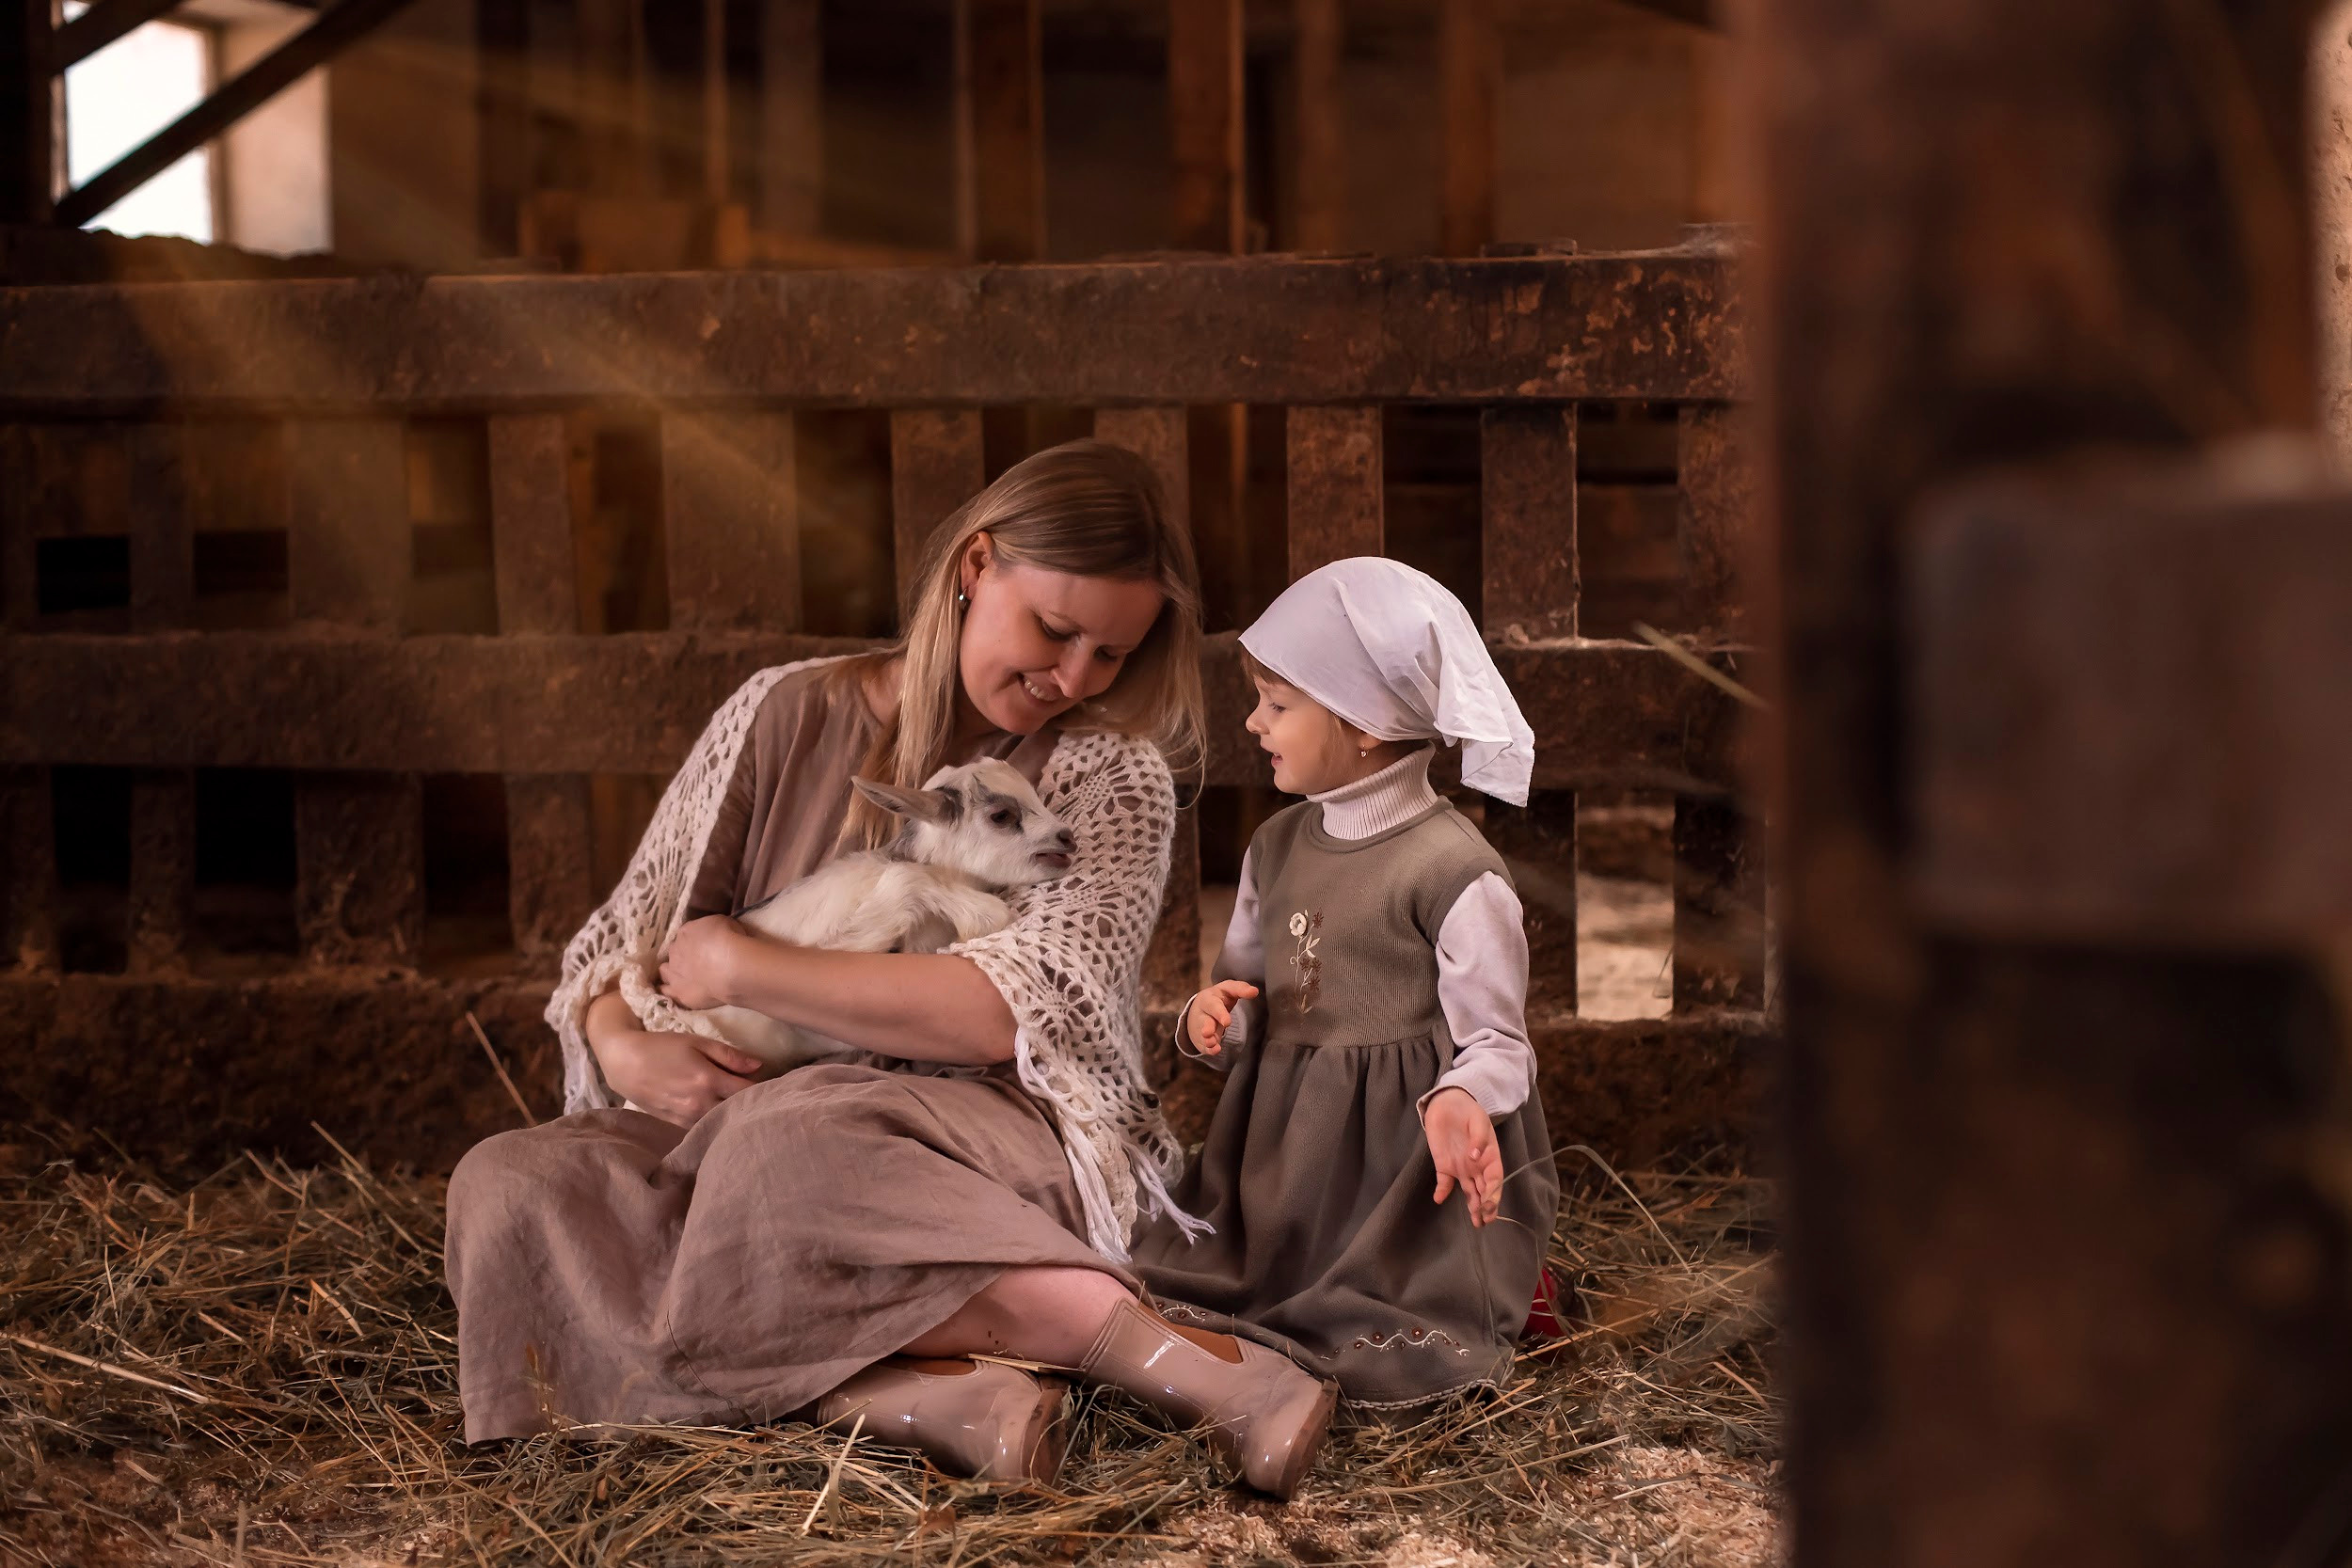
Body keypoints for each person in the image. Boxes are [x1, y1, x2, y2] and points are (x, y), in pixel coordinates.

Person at [445, 441, 1337, 1497]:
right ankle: (913, 1394)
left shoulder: (1112, 776)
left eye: (1110, 654)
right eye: (1055, 630)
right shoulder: (780, 711)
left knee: (784, 1147)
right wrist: (625, 1048)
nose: (1072, 677)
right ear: (975, 566)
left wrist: (746, 966)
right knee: (508, 1186)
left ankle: (1189, 1362)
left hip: (968, 1133)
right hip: (727, 1117)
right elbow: (618, 944)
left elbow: (997, 1013)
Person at [1133, 556, 1563, 1411]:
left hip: (1399, 1171)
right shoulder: (1275, 846)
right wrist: (1214, 1018)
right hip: (1283, 1158)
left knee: (1383, 1317)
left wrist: (1462, 1098)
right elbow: (1253, 998)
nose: (1253, 721)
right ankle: (1277, 1268)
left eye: (1278, 704)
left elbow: (1497, 1041)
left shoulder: (1454, 872)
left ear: (1363, 723)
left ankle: (1445, 1284)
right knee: (1181, 1275)